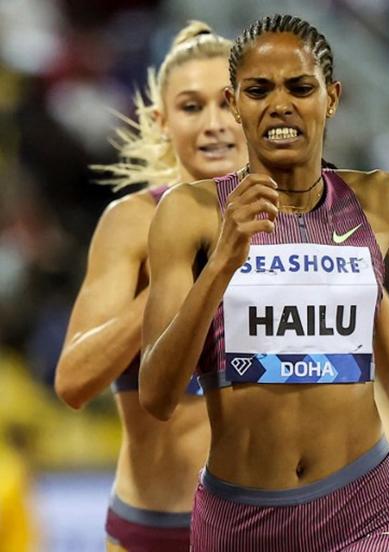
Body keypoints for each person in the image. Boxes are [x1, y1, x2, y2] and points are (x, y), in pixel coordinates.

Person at [139, 14, 389, 551]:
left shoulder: (380, 201)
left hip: (368, 509)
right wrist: (223, 262)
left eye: (300, 87)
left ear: (332, 98)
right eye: (259, 90)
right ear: (235, 104)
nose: (280, 104)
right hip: (241, 521)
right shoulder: (190, 213)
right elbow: (158, 396)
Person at [53, 22, 247, 551]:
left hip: (270, 529)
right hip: (155, 531)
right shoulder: (134, 222)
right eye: (191, 107)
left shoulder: (301, 220)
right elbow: (73, 381)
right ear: (162, 121)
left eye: (228, 103)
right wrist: (174, 281)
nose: (213, 124)